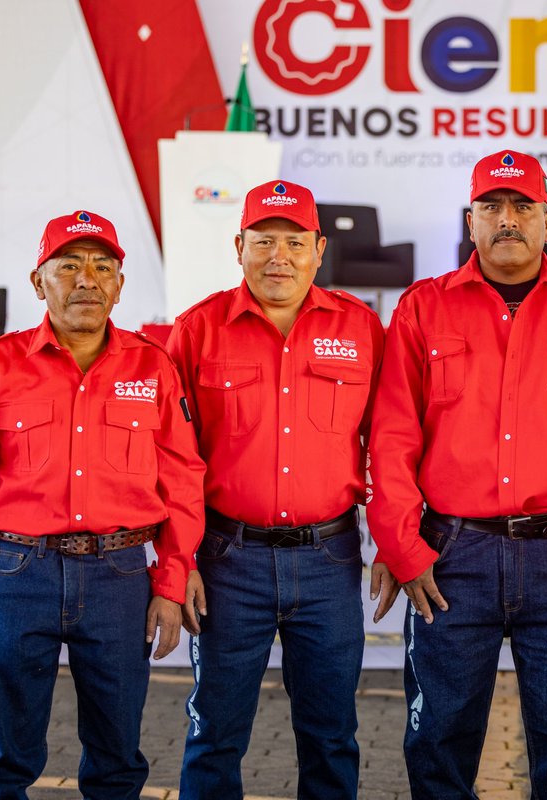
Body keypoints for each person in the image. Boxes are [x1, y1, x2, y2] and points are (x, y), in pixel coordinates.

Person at [367, 149, 547, 798]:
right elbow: (391, 438)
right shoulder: (421, 309)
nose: (508, 219)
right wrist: (403, 547)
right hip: (450, 557)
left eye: (523, 206)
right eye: (491, 207)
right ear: (469, 222)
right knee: (437, 738)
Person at [0, 210, 205, 798]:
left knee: (116, 760)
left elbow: (183, 482)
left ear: (120, 284)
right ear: (39, 281)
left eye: (103, 266)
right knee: (4, 755)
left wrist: (170, 584)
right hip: (16, 575)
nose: (87, 279)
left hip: (121, 576)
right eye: (70, 265)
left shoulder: (153, 368)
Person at [170, 179, 387, 800]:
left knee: (331, 734)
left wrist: (397, 545)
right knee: (214, 731)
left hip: (329, 560)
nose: (279, 256)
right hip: (226, 559)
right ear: (238, 246)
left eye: (295, 242)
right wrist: (178, 559)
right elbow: (174, 459)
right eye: (264, 241)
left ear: (320, 249)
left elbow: (392, 446)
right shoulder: (196, 331)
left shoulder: (361, 329)